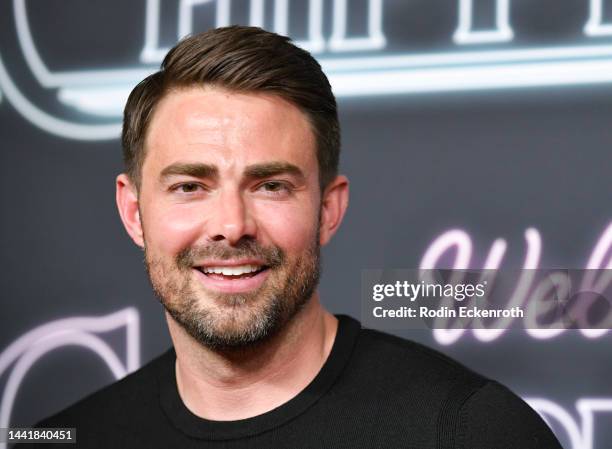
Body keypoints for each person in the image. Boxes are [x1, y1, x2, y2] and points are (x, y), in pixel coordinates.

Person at [28, 26, 562, 448]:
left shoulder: (470, 432)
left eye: (271, 185)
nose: (231, 226)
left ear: (328, 209)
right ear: (134, 211)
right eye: (191, 186)